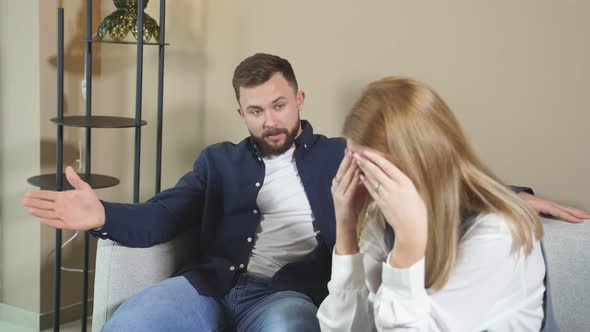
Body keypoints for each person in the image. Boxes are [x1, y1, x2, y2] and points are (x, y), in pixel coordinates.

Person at [22, 54, 589, 331]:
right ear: (239, 111)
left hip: (288, 294)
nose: (269, 120)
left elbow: (425, 169)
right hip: (212, 286)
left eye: (279, 104)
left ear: (299, 99)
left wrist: (505, 194)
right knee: (133, 323)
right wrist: (101, 216)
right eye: (255, 110)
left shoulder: (346, 154)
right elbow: (164, 215)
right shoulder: (217, 161)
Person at [316, 77, 558, 331]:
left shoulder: (498, 231)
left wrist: (407, 251)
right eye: (360, 169)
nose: (366, 185)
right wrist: (346, 229)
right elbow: (346, 328)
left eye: (379, 172)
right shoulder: (384, 215)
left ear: (424, 161)